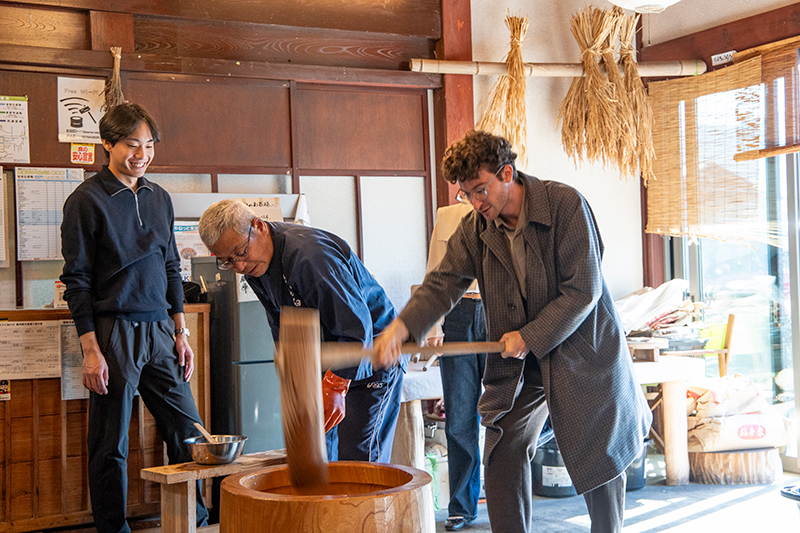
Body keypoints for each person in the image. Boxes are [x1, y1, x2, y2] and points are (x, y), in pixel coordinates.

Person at [373, 130, 652, 533]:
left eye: (481, 190)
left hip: (582, 352)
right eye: (467, 194)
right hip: (523, 365)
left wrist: (531, 336)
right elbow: (443, 283)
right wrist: (401, 328)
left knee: (600, 456)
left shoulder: (564, 205)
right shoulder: (476, 230)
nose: (476, 202)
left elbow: (584, 290)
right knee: (503, 451)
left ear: (508, 173)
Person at [60, 103, 208, 533]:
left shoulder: (159, 197)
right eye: (131, 144)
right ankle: (113, 528)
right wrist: (91, 349)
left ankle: (193, 521)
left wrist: (181, 332)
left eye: (148, 145)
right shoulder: (85, 201)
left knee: (187, 429)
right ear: (107, 143)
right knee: (111, 444)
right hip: (113, 332)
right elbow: (78, 280)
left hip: (161, 329)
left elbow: (170, 267)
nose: (141, 154)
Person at [197, 199, 406, 463]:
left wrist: (336, 384)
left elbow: (356, 327)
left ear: (258, 226)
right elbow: (282, 324)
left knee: (359, 462)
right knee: (318, 458)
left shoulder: (311, 256)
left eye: (240, 252)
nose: (238, 266)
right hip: (326, 363)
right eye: (227, 261)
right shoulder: (255, 266)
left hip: (374, 354)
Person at [424, 203, 486, 531]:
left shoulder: (504, 207)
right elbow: (436, 271)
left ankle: (511, 499)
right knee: (460, 417)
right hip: (458, 313)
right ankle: (461, 506)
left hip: (499, 310)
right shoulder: (446, 215)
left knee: (510, 416)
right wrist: (433, 327)